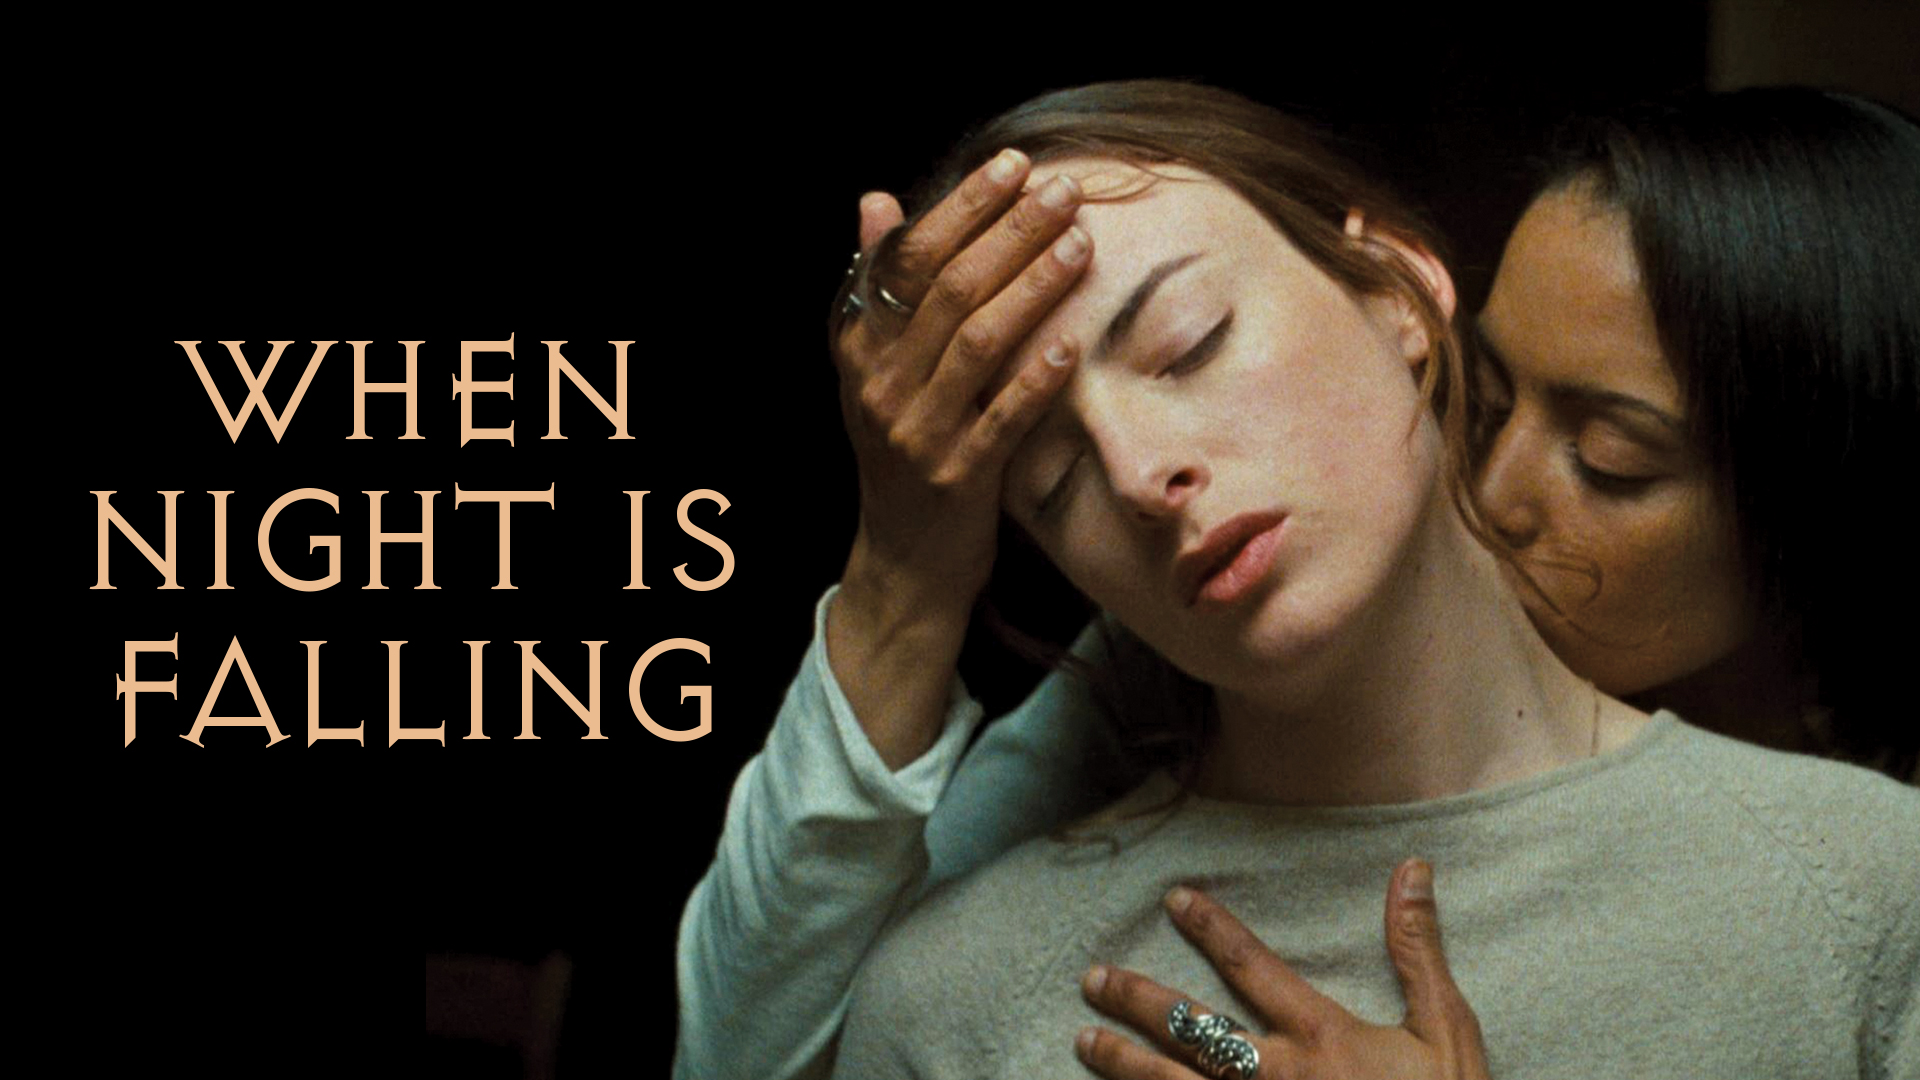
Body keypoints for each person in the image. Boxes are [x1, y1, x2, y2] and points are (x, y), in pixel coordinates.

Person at [675, 83, 1919, 1080]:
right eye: (1051, 483)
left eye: (1190, 344)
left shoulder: (1867, 884)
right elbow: (747, 1044)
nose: (1141, 472)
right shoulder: (963, 986)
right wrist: (902, 574)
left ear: (1399, 295)